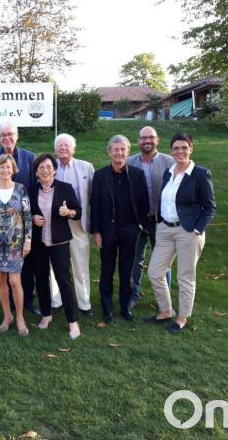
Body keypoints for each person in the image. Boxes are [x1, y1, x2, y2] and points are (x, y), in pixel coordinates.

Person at [147, 132, 216, 334]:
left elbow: (210, 207)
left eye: (184, 147)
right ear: (171, 150)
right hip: (165, 229)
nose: (180, 151)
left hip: (188, 231)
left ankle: (182, 317)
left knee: (185, 276)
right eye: (176, 148)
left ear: (191, 149)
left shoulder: (200, 174)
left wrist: (197, 229)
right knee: (155, 272)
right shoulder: (169, 172)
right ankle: (166, 311)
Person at [90, 135, 149, 324]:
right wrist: (96, 231)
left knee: (127, 271)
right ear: (109, 152)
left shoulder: (138, 175)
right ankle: (107, 309)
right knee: (106, 271)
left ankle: (125, 308)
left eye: (123, 149)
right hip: (107, 231)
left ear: (128, 151)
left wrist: (140, 226)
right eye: (116, 149)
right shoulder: (100, 175)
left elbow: (144, 203)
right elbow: (95, 205)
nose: (119, 152)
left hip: (130, 231)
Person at [0, 121, 39, 316]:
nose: (6, 138)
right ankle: (9, 307)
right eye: (2, 135)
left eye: (10, 134)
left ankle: (28, 301)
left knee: (27, 265)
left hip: (24, 223)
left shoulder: (30, 158)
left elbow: (34, 189)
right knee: (3, 276)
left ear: (17, 135)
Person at [28, 153, 82, 340]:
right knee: (41, 279)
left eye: (48, 167)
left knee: (64, 280)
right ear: (36, 172)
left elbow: (78, 212)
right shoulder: (30, 190)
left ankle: (73, 321)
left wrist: (69, 212)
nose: (45, 171)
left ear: (55, 170)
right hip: (39, 242)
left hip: (59, 242)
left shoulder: (65, 189)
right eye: (41, 168)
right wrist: (33, 218)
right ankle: (46, 314)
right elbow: (25, 213)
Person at [126, 126, 175, 310]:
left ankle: (165, 301)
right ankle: (133, 296)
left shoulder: (169, 162)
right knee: (134, 261)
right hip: (136, 220)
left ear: (158, 140)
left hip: (161, 221)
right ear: (138, 141)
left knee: (163, 263)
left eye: (151, 138)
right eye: (143, 138)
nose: (147, 141)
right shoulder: (129, 163)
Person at [0, 154, 32, 336]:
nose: (5, 170)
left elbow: (27, 216)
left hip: (16, 243)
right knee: (0, 280)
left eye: (8, 167)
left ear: (13, 170)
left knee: (14, 281)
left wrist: (28, 240)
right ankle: (7, 316)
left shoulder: (21, 189)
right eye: (1, 167)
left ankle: (20, 317)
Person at [51, 133, 95, 317]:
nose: (63, 148)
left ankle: (84, 304)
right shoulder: (48, 167)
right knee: (54, 266)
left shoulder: (86, 167)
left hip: (78, 224)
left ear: (73, 149)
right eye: (59, 145)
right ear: (55, 149)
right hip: (54, 224)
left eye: (67, 145)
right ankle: (56, 301)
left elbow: (93, 196)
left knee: (80, 263)